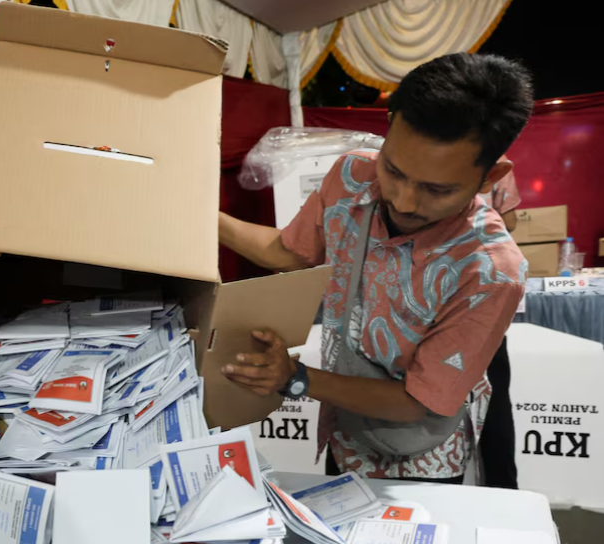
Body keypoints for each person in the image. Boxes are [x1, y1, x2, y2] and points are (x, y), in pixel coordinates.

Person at [218, 54, 533, 482]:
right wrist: (203, 219)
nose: (403, 201)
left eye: (437, 190)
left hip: (420, 458)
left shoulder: (490, 270)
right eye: (393, 170)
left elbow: (418, 402)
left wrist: (296, 378)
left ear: (489, 177)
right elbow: (289, 251)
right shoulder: (351, 175)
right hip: (345, 431)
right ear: (389, 126)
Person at [480, 159, 522, 488]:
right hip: (483, 283)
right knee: (493, 393)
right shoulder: (494, 156)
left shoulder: (416, 153)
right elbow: (509, 221)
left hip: (430, 283)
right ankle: (501, 488)